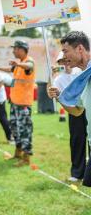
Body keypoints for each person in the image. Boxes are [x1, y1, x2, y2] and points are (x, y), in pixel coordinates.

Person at [48, 31, 91, 187]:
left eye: (66, 51)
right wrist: (59, 97)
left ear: (80, 48)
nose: (64, 57)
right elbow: (77, 110)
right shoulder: (82, 78)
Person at [0, 40, 35, 166]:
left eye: (15, 49)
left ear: (22, 49)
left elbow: (29, 66)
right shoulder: (19, 64)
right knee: (15, 129)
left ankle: (26, 157)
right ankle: (18, 152)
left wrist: (19, 64)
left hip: (24, 105)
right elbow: (10, 68)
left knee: (25, 130)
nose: (13, 51)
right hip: (14, 103)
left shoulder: (28, 61)